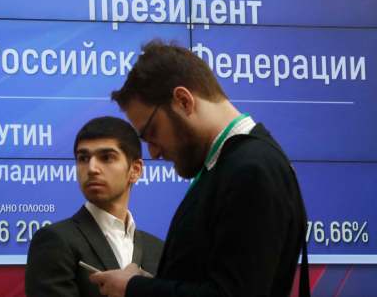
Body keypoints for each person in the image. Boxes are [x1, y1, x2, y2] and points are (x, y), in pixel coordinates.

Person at [90, 40, 309, 296]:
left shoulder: (251, 170)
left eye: (152, 132)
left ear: (183, 101)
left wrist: (133, 289)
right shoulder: (231, 164)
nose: (153, 152)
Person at [25, 116, 164, 297]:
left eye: (106, 157)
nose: (91, 168)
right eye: (83, 158)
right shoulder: (56, 240)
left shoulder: (158, 249)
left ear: (135, 170)